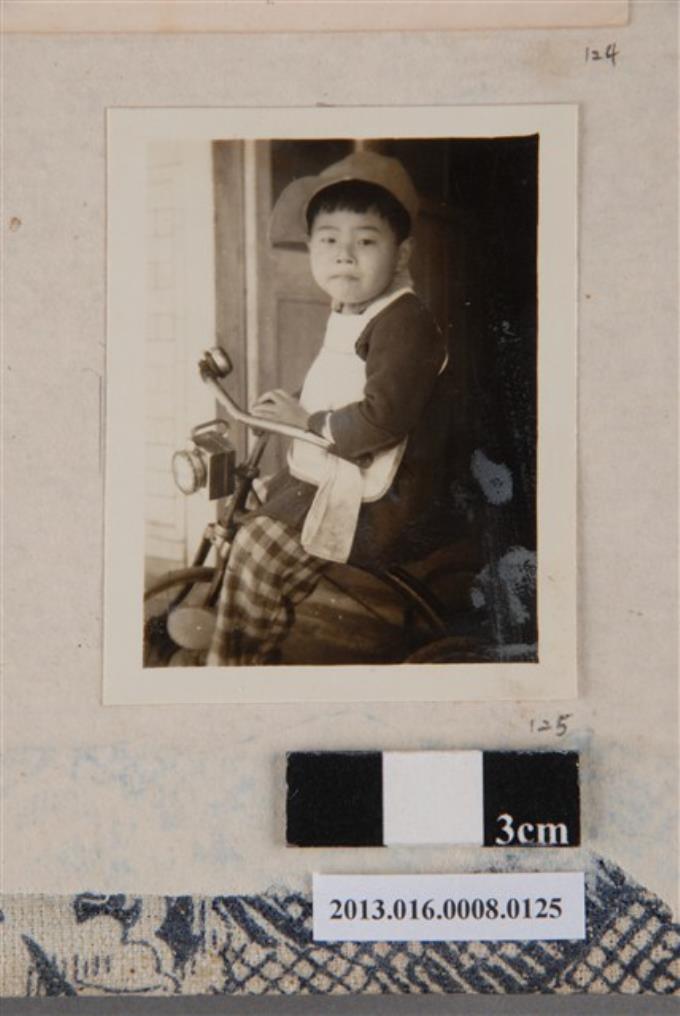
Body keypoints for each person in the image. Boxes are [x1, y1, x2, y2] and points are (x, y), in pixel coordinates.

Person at [206, 150, 450, 666]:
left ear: (401, 255)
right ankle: (253, 617)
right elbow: (344, 381)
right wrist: (296, 402)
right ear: (311, 248)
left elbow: (383, 417)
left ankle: (236, 665)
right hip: (344, 470)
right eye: (328, 241)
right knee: (262, 495)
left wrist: (308, 422)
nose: (345, 256)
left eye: (366, 241)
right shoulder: (353, 309)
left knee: (256, 549)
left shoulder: (404, 322)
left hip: (382, 499)